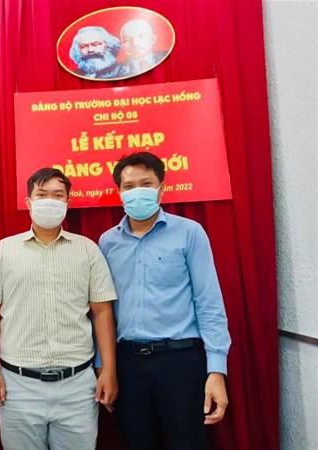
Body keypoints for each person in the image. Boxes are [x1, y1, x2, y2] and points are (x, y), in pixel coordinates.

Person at [0, 168, 118, 450]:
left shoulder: (88, 250)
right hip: (18, 385)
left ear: (68, 202)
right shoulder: (3, 251)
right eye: (41, 194)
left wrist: (108, 371)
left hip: (77, 385)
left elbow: (102, 312)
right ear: (28, 202)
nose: (49, 201)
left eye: (57, 195)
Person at [97, 152, 231, 450]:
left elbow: (209, 304)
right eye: (129, 186)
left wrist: (216, 370)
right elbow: (101, 310)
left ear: (161, 188)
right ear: (119, 192)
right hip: (128, 365)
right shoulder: (107, 242)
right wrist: (103, 367)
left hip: (180, 362)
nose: (137, 191)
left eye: (146, 184)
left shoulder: (189, 233)